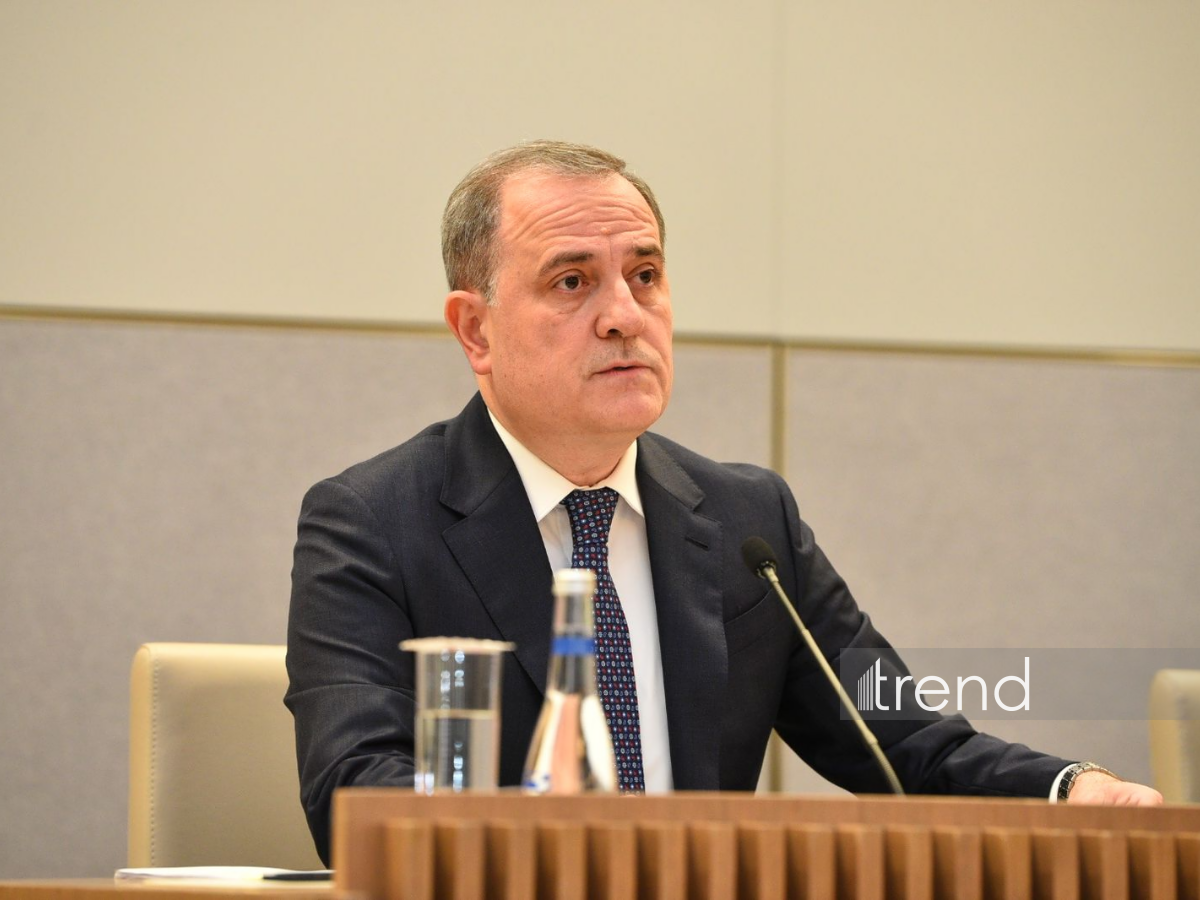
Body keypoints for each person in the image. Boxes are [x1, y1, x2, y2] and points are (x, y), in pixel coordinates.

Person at [285, 140, 1160, 864]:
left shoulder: (749, 522)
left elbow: (901, 739)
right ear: (476, 330)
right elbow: (355, 794)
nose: (625, 315)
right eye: (572, 282)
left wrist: (1072, 791)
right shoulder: (373, 522)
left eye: (646, 274)